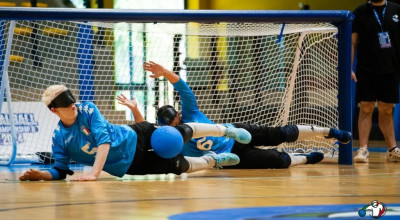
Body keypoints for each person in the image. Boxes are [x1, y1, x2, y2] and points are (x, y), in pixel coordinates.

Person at [119, 61, 352, 169]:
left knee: (280, 134)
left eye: (176, 119)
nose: (176, 124)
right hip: (228, 158)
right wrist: (135, 109)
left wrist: (166, 72)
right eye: (171, 123)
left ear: (178, 114)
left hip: (236, 132)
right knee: (277, 161)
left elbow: (184, 89)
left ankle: (331, 132)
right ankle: (306, 158)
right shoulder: (170, 137)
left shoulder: (190, 111)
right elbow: (146, 132)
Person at [19, 85, 252, 181]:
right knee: (177, 165)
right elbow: (60, 171)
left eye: (71, 99)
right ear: (53, 110)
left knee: (176, 135)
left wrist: (94, 173)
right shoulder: (60, 139)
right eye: (64, 103)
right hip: (128, 165)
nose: (72, 105)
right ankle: (214, 161)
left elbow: (104, 140)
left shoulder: (88, 108)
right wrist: (41, 175)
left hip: (135, 135)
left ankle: (225, 130)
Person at [351, 0, 400, 163]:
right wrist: (349, 67)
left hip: (391, 69)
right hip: (366, 70)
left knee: (386, 110)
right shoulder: (359, 12)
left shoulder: (396, 10)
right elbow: (352, 43)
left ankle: (392, 150)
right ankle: (363, 149)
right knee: (366, 107)